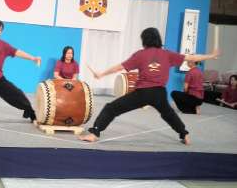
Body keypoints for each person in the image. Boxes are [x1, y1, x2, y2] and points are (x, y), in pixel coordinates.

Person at [80, 27, 219, 145]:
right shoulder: (167, 54)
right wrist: (211, 56)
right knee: (169, 114)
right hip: (159, 93)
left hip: (142, 93)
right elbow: (192, 58)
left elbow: (119, 67)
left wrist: (101, 74)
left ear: (144, 40)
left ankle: (94, 133)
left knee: (111, 108)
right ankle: (184, 134)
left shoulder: (140, 54)